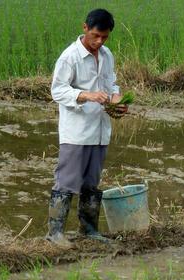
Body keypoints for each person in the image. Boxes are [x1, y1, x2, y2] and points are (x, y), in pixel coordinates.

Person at [46, 8, 128, 248]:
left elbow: (111, 82)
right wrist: (87, 95)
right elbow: (58, 90)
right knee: (67, 180)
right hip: (77, 130)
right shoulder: (69, 57)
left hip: (100, 129)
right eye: (95, 35)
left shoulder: (107, 54)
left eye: (105, 37)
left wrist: (117, 99)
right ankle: (55, 232)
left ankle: (88, 229)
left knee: (92, 181)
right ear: (85, 28)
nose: (99, 41)